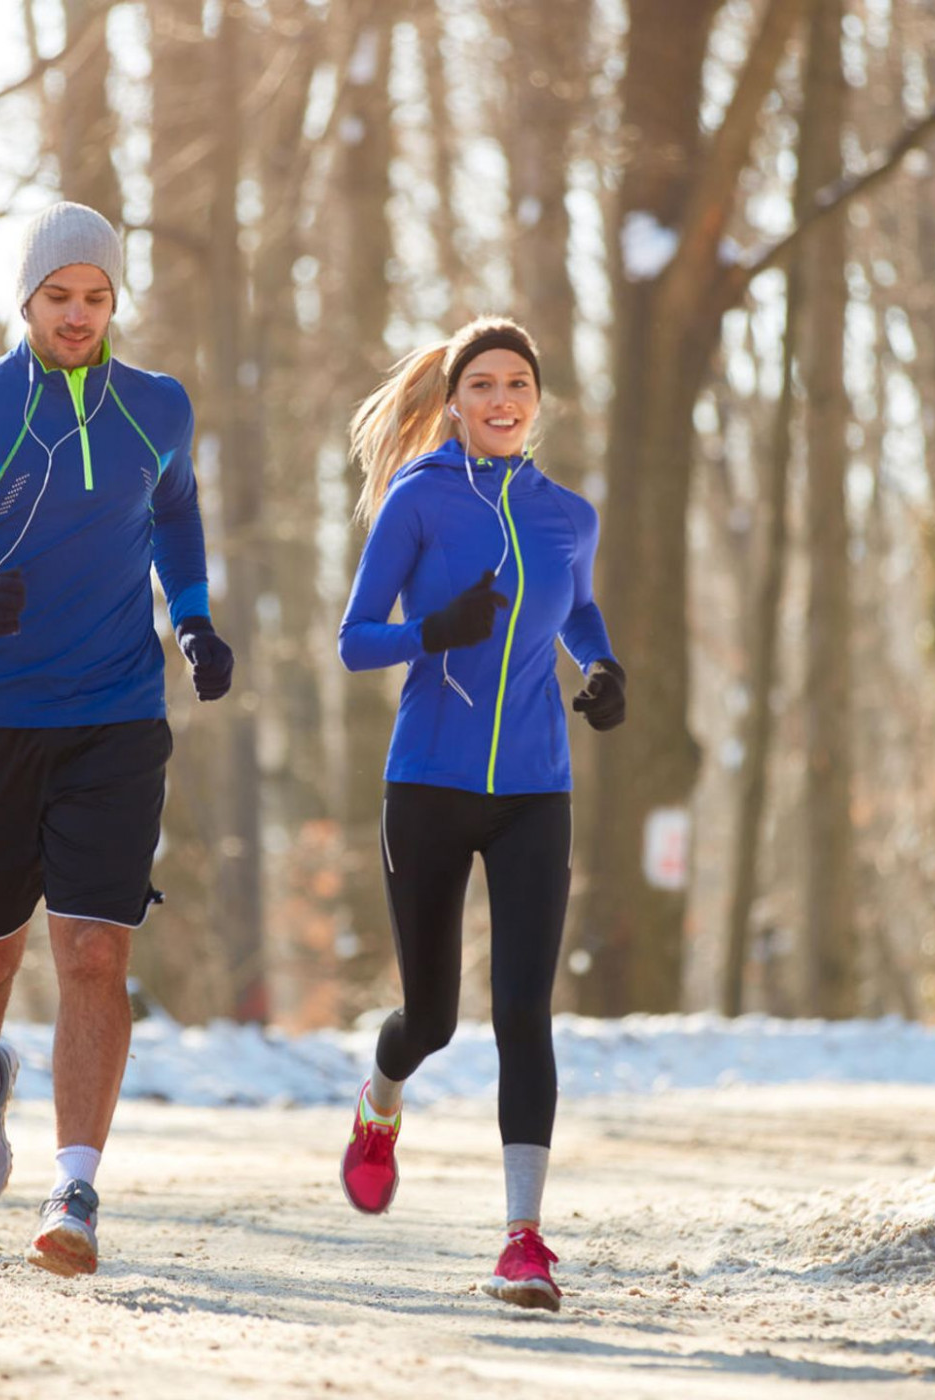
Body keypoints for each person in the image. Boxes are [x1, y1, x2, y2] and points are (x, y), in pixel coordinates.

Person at [0, 201, 233, 1278]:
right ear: (25, 300)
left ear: (117, 302)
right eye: (60, 296)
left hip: (114, 713)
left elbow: (174, 511)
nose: (78, 315)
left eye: (97, 296)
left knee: (96, 948)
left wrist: (195, 616)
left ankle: (75, 1188)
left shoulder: (157, 406)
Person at [336, 315, 624, 1311]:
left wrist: (602, 664)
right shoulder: (416, 501)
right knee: (432, 1017)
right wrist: (431, 629)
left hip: (535, 789)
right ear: (453, 401)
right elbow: (351, 640)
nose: (501, 400)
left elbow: (575, 607)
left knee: (521, 1014)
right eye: (482, 385)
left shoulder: (565, 514)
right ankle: (380, 1101)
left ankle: (522, 1239)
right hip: (427, 782)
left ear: (535, 398)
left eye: (517, 384)